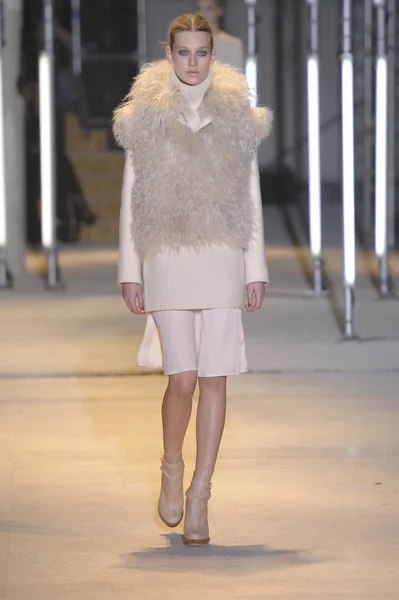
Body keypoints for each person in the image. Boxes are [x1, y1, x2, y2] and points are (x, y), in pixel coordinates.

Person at [113, 13, 272, 546]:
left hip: (224, 252)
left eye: (201, 52)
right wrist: (129, 271)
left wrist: (255, 269)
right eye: (183, 52)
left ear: (212, 54)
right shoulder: (143, 116)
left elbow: (248, 193)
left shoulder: (236, 115)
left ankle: (202, 492)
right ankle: (172, 466)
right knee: (181, 378)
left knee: (214, 377)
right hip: (166, 254)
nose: (193, 62)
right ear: (169, 52)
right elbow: (133, 196)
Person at [196, 0, 245, 71]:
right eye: (200, 9)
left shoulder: (233, 44)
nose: (203, 15)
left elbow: (237, 78)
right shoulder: (188, 43)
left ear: (219, 10)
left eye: (209, 9)